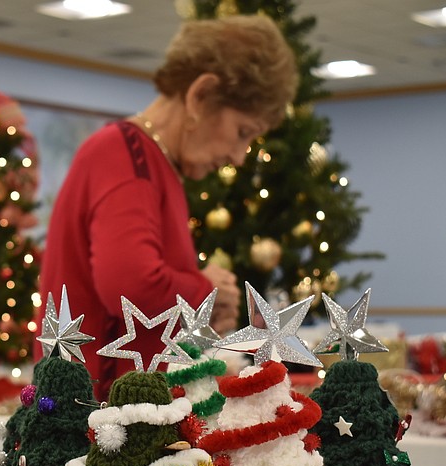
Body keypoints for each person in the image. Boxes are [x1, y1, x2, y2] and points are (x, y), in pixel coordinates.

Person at [37, 14, 298, 400]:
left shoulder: (149, 162)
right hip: (102, 419)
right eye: (243, 132)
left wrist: (203, 304)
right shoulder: (126, 157)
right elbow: (130, 286)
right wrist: (205, 290)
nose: (239, 157)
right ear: (200, 95)